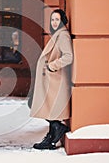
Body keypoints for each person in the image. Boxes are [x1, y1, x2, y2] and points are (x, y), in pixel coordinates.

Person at [29, 9, 73, 150]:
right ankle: (52, 135)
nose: (54, 22)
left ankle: (54, 134)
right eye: (52, 19)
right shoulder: (58, 35)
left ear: (63, 20)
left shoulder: (63, 36)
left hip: (56, 80)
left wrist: (52, 66)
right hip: (52, 80)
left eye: (57, 19)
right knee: (48, 110)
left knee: (48, 108)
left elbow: (68, 56)